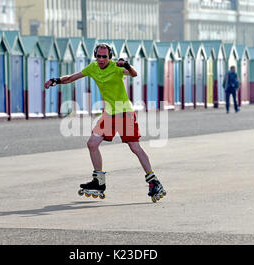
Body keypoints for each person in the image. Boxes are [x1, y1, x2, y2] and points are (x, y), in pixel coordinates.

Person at [44, 43, 166, 203]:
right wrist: (55, 80)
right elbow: (72, 78)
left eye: (104, 57)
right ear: (95, 56)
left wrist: (127, 65)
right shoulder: (93, 67)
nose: (101, 59)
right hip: (109, 113)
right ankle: (99, 181)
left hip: (124, 111)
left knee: (134, 147)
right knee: (92, 143)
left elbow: (133, 74)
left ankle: (153, 181)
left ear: (110, 57)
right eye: (98, 56)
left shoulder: (116, 67)